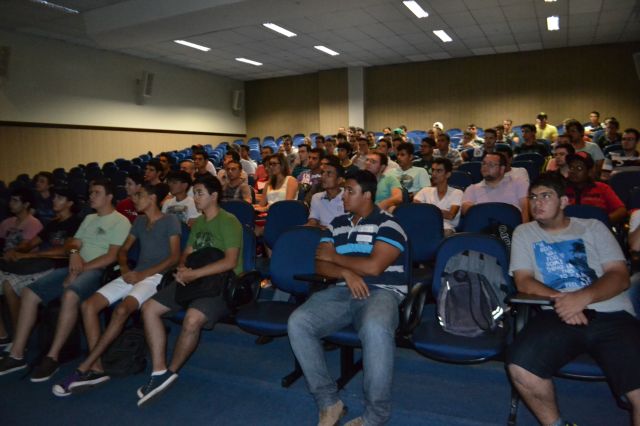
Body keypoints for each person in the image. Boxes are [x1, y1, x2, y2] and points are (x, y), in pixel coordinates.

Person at [506, 172, 640, 426]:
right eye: (533, 197)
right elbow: (524, 281)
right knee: (521, 367)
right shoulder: (524, 233)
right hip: (557, 314)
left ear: (564, 201)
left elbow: (619, 276)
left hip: (612, 315)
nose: (537, 203)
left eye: (546, 196)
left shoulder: (593, 227)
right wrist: (566, 301)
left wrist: (582, 298)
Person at [288, 169, 408, 426]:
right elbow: (320, 264)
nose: (343, 196)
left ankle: (376, 414)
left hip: (382, 291)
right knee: (298, 322)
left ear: (367, 195)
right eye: (344, 190)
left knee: (375, 328)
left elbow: (374, 267)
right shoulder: (337, 224)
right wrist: (345, 272)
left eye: (350, 191)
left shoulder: (389, 224)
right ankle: (329, 402)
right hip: (342, 290)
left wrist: (336, 258)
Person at [52, 183, 181, 396]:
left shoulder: (170, 220)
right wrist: (125, 269)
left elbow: (174, 258)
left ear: (152, 198)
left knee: (121, 310)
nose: (134, 199)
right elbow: (122, 251)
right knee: (88, 306)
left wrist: (142, 275)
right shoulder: (139, 221)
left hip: (155, 276)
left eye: (139, 195)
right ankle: (97, 367)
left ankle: (84, 367)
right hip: (133, 273)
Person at [0, 179, 131, 381]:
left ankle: (52, 357)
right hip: (75, 267)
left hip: (98, 271)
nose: (91, 196)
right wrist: (74, 255)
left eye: (96, 192)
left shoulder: (120, 221)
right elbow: (72, 243)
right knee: (29, 292)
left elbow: (111, 257)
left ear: (110, 197)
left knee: (70, 294)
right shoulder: (89, 218)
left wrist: (79, 269)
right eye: (90, 192)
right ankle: (17, 354)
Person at [137, 174, 243, 406]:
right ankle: (159, 369)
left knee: (192, 319)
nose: (195, 197)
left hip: (220, 283)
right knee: (149, 308)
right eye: (194, 193)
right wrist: (182, 269)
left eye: (200, 193)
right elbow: (186, 254)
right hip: (194, 279)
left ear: (214, 195)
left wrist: (193, 274)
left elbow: (230, 262)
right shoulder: (199, 223)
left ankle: (171, 371)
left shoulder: (229, 221)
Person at [0, 187, 80, 349]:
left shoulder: (76, 223)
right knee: (6, 282)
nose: (54, 200)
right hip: (43, 264)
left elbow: (65, 251)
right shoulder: (53, 223)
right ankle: (11, 336)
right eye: (54, 197)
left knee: (9, 285)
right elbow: (30, 244)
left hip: (59, 267)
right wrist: (15, 251)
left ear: (70, 203)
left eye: (59, 198)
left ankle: (19, 339)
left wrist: (28, 256)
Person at [461, 152, 529, 223]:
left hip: (512, 226)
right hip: (483, 227)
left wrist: (523, 228)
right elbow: (465, 209)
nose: (485, 167)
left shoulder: (518, 183)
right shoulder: (472, 188)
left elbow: (525, 208)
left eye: (491, 165)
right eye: (484, 163)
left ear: (502, 169)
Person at [564, 153, 627, 225]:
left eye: (579, 168)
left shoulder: (602, 188)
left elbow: (621, 210)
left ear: (589, 172)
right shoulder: (561, 189)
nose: (573, 172)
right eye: (571, 168)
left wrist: (603, 221)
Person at [413, 158, 462, 236]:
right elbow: (415, 209)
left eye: (439, 171)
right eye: (433, 170)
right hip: (424, 225)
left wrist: (427, 210)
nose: (434, 174)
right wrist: (436, 212)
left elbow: (450, 215)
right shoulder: (425, 190)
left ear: (448, 174)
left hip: (445, 228)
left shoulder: (457, 193)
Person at [0, 188, 43, 254]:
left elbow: (24, 247)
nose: (10, 203)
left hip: (24, 259)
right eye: (11, 200)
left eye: (15, 201)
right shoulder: (7, 222)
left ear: (26, 204)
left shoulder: (34, 224)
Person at [306, 155, 345, 229]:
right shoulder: (316, 197)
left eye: (329, 173)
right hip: (321, 234)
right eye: (322, 173)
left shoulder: (347, 197)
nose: (323, 176)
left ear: (339, 180)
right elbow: (312, 222)